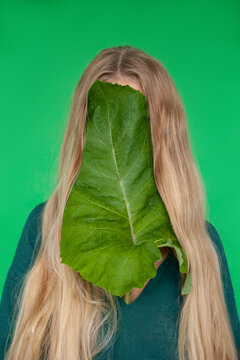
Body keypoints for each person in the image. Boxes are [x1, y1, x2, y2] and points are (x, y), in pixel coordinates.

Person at [0, 45, 240, 360]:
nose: (120, 152)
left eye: (136, 129)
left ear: (164, 140)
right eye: (105, 130)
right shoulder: (43, 230)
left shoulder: (202, 247)